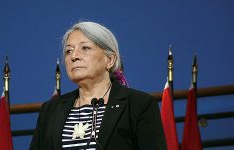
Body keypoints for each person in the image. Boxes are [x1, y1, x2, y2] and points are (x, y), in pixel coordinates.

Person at [29, 21, 166, 150]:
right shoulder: (50, 110)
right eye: (68, 51)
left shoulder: (138, 105)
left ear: (110, 60)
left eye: (85, 48)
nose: (74, 56)